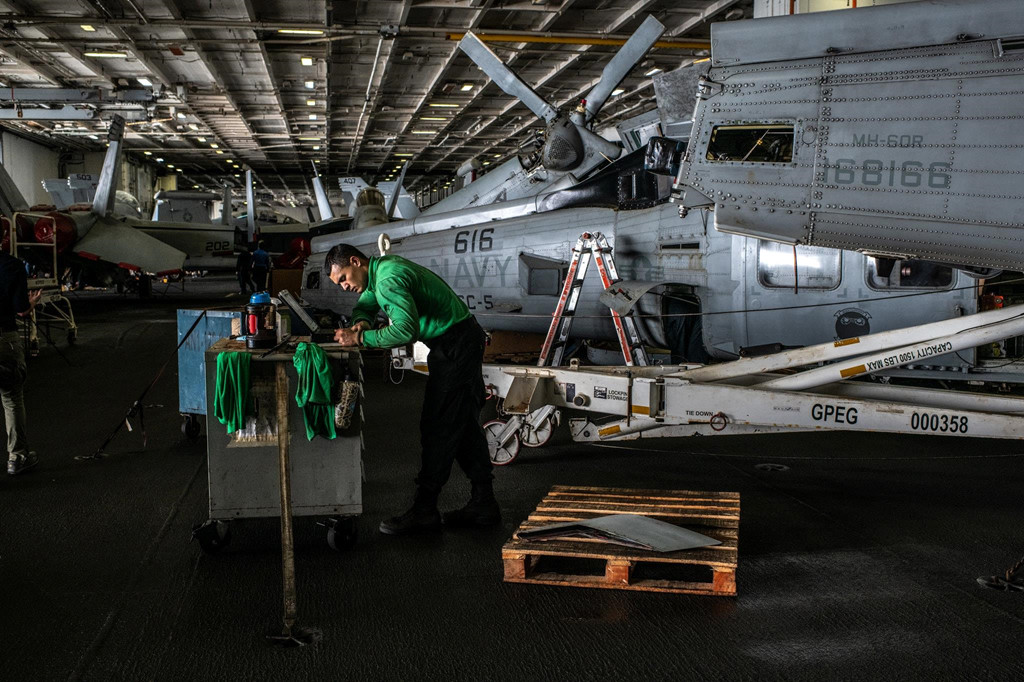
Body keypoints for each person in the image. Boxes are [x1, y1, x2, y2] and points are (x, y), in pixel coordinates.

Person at [326, 243, 499, 535]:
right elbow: (366, 303)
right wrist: (361, 322)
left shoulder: (388, 279)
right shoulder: (380, 270)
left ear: (355, 262)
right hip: (459, 341)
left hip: (456, 346)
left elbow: (406, 331)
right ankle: (484, 503)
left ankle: (424, 510)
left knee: (439, 426)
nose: (344, 287)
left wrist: (361, 339)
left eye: (343, 278)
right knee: (463, 424)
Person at [0, 251, 41, 475]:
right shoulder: (12, 265)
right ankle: (17, 458)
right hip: (5, 339)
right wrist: (32, 303)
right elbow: (21, 310)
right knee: (12, 399)